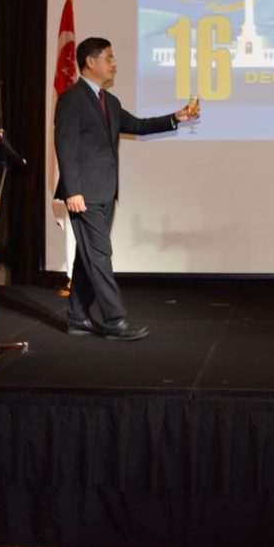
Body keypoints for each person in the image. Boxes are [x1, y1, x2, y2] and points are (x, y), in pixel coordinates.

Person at [54, 36, 196, 340]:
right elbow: (65, 146)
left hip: (106, 192)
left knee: (88, 257)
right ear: (90, 62)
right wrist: (72, 190)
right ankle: (114, 320)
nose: (114, 64)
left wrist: (176, 118)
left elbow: (139, 126)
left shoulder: (110, 102)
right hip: (83, 194)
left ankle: (77, 317)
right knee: (100, 254)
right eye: (109, 57)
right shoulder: (71, 99)